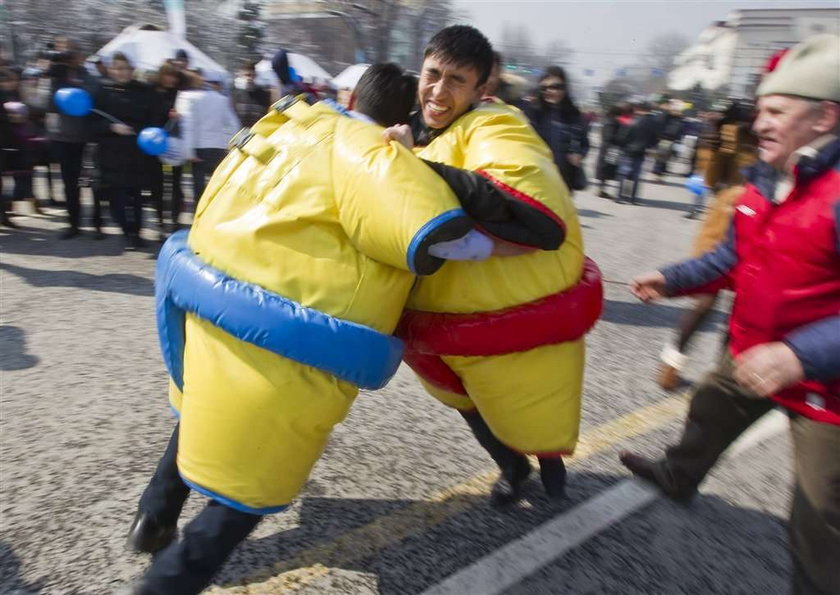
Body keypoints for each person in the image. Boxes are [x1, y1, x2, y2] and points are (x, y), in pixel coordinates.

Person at [125, 66, 511, 594]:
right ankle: (164, 584)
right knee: (249, 483)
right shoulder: (376, 157)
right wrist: (502, 245)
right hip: (284, 334)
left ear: (350, 96)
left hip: (207, 297)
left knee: (204, 406)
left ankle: (154, 516)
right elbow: (443, 240)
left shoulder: (293, 122)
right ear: (404, 121)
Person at [620, 34, 840, 595]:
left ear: (824, 118)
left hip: (826, 389)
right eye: (759, 109)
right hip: (755, 357)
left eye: (775, 111)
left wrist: (798, 354)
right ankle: (678, 476)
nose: (758, 122)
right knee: (710, 404)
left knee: (819, 522)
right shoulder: (764, 178)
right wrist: (671, 278)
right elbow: (733, 257)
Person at [399, 26, 602, 506]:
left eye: (456, 80)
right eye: (432, 74)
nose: (438, 91)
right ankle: (512, 467)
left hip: (509, 302)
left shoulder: (496, 125)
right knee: (468, 403)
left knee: (525, 394)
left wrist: (416, 168)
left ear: (480, 89)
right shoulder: (414, 127)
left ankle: (547, 462)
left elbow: (533, 215)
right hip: (446, 315)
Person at [90, 52, 150, 246]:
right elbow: (91, 122)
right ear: (111, 70)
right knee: (118, 197)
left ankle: (136, 233)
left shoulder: (143, 91)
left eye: (125, 68)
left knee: (137, 196)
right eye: (117, 68)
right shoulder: (102, 90)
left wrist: (140, 131)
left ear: (132, 70)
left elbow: (152, 117)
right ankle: (126, 229)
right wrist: (111, 127)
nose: (122, 72)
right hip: (111, 152)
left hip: (136, 151)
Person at [45, 43, 96, 238]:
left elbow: (92, 96)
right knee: (69, 182)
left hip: (84, 135)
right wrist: (54, 80)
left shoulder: (87, 76)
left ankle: (96, 220)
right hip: (62, 136)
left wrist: (75, 84)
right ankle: (73, 223)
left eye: (73, 55)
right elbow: (48, 104)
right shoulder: (55, 76)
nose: (71, 60)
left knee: (89, 180)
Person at [175, 70, 239, 203]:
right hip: (219, 148)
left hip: (199, 149)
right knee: (218, 185)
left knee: (198, 188)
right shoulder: (222, 100)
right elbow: (233, 124)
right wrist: (229, 146)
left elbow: (189, 125)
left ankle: (198, 217)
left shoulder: (193, 99)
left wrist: (189, 151)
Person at [524, 65, 590, 194]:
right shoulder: (532, 112)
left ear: (565, 88)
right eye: (544, 88)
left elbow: (584, 143)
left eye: (556, 86)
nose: (551, 91)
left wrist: (579, 155)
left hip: (563, 181)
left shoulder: (573, 114)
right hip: (535, 179)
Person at [144, 61, 183, 238]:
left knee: (175, 183)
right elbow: (147, 114)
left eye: (174, 76)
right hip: (154, 142)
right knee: (156, 184)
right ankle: (159, 220)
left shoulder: (179, 93)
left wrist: (178, 116)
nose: (171, 79)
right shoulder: (151, 92)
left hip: (174, 143)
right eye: (168, 75)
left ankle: (174, 219)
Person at [615, 100, 659, 204]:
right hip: (642, 151)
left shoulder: (631, 120)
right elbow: (655, 139)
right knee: (636, 175)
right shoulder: (653, 122)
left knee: (623, 174)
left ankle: (621, 196)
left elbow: (622, 137)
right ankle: (633, 197)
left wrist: (622, 145)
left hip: (628, 150)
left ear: (637, 109)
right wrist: (648, 146)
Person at [595, 102, 629, 199]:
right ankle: (601, 190)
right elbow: (610, 136)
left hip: (607, 148)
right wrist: (621, 139)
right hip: (610, 149)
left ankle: (602, 189)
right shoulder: (612, 122)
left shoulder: (607, 121)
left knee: (606, 169)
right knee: (607, 169)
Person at [232, 60, 271, 128]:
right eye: (247, 75)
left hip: (258, 133)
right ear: (242, 76)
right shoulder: (237, 96)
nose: (249, 78)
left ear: (255, 76)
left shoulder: (264, 95)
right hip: (242, 134)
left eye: (252, 75)